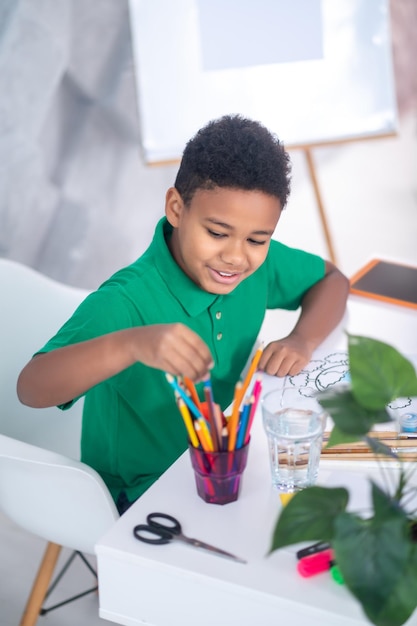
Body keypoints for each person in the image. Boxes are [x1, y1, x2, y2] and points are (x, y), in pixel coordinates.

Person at [17, 115, 349, 513]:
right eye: (217, 233)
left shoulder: (253, 269)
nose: (236, 256)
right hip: (137, 495)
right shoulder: (125, 302)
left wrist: (302, 339)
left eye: (257, 239)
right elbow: (31, 388)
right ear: (176, 208)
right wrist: (130, 344)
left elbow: (332, 280)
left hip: (220, 463)